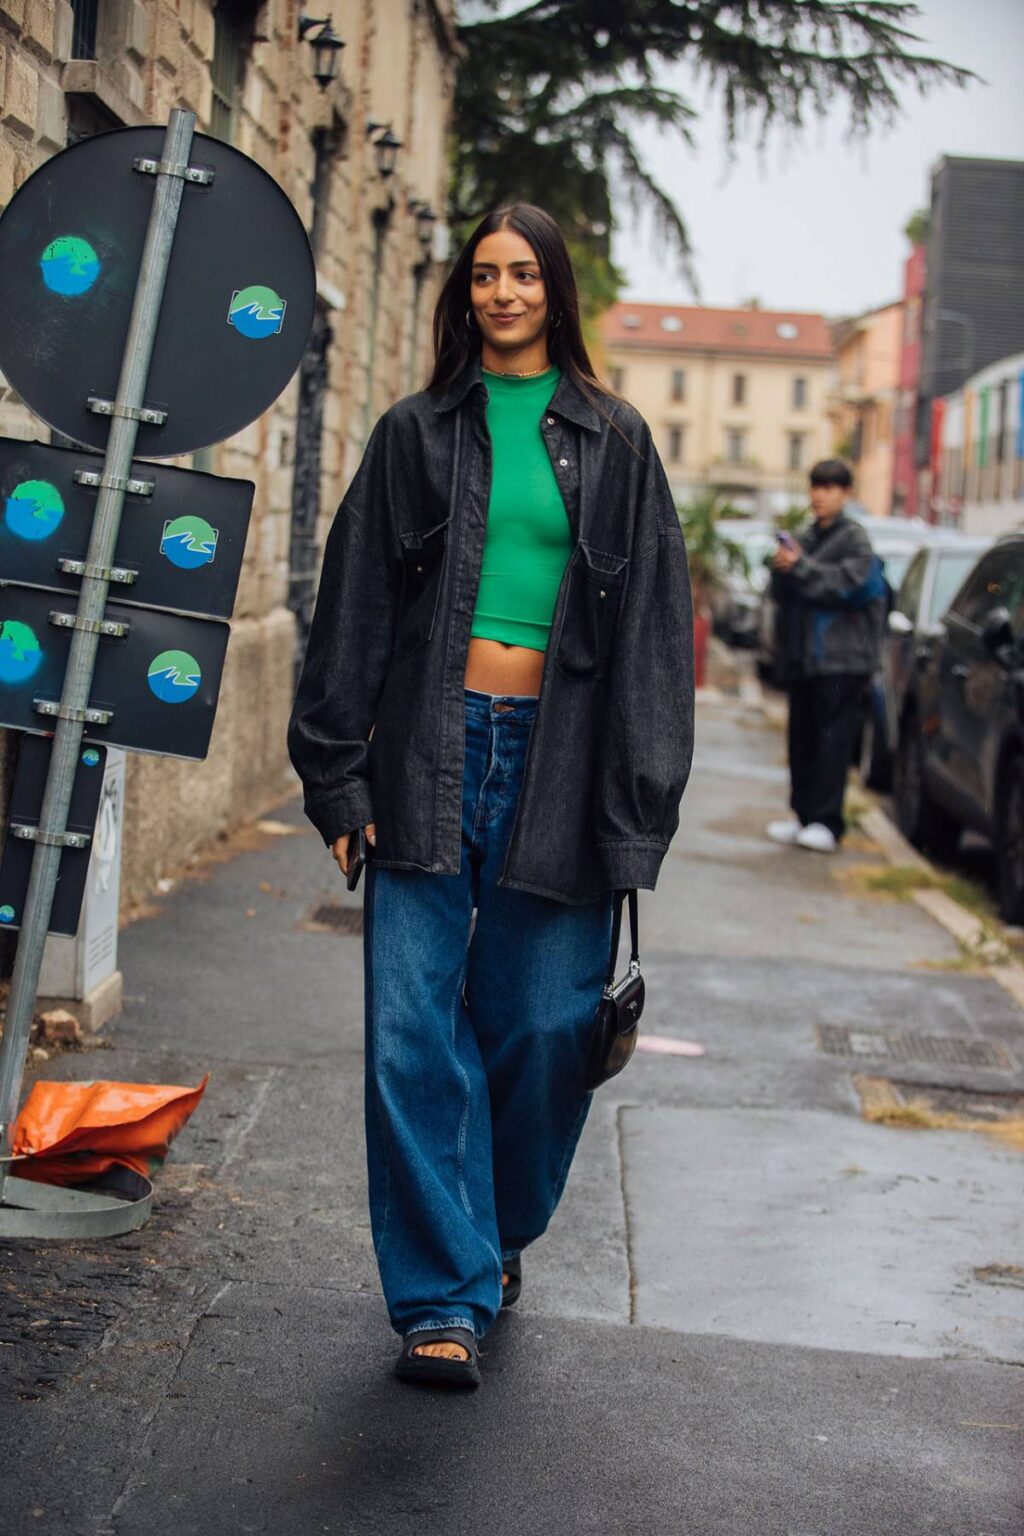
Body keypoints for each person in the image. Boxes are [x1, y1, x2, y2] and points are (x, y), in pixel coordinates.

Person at [288, 203, 694, 1388]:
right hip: (426, 749)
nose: (501, 292)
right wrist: (338, 773)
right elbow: (353, 605)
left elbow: (657, 641)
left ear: (554, 292)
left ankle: (494, 1231)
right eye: (483, 277)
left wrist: (637, 811)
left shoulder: (615, 442)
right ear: (463, 296)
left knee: (538, 1032)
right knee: (410, 1036)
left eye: (522, 275)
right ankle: (440, 1298)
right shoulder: (415, 433)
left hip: (560, 767)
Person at [767, 460, 885, 854]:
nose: (819, 495)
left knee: (834, 743)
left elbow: (849, 587)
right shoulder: (804, 536)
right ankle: (802, 815)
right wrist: (782, 569)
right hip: (804, 660)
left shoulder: (855, 540)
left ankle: (827, 822)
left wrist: (801, 566)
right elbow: (784, 595)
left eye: (829, 487)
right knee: (801, 741)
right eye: (815, 486)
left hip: (842, 662)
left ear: (846, 494)